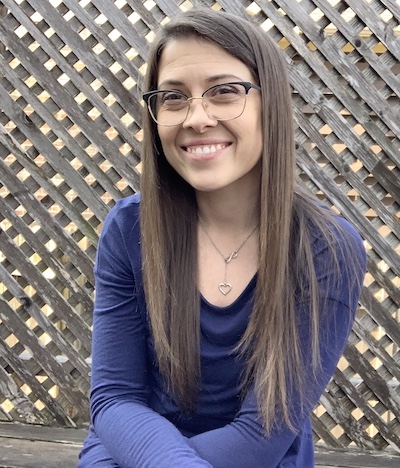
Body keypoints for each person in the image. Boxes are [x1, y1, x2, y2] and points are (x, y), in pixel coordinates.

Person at [78, 8, 366, 467]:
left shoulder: (325, 249)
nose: (196, 117)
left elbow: (262, 431)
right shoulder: (129, 230)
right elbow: (115, 400)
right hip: (130, 452)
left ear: (269, 102)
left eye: (225, 91)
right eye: (173, 98)